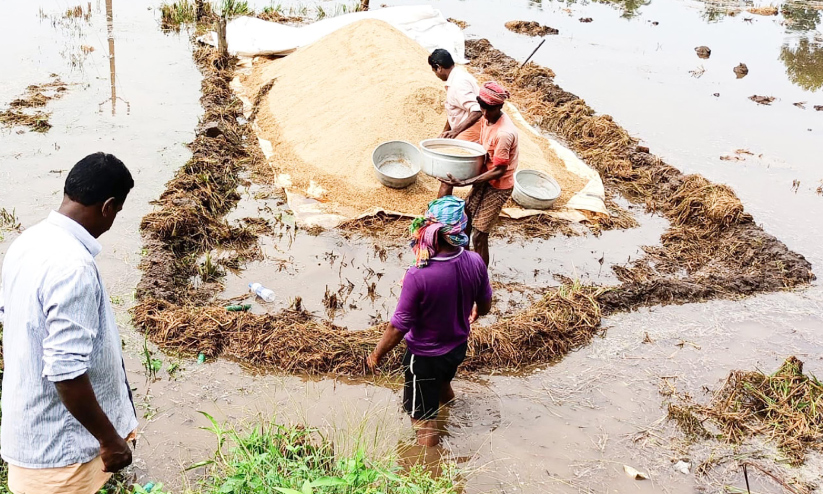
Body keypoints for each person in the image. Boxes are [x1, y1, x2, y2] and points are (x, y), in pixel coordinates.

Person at [0, 152, 138, 494]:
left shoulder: (27, 243)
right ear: (108, 207)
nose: (112, 221)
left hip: (31, 431)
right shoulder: (72, 266)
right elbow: (65, 370)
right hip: (61, 454)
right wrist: (110, 440)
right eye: (116, 212)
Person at [367, 196, 493, 447]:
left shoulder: (418, 275)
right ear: (461, 229)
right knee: (444, 382)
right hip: (457, 347)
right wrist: (476, 310)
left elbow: (398, 326)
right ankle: (451, 411)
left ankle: (428, 469)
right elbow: (486, 305)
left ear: (431, 231)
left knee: (422, 420)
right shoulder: (475, 261)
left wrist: (376, 355)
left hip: (423, 358)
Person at [438, 81, 519, 266]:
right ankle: (464, 264)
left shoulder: (504, 133)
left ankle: (480, 278)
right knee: (465, 218)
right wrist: (452, 133)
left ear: (499, 106)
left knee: (480, 234)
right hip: (484, 177)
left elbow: (499, 170)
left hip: (499, 186)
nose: (484, 113)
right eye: (482, 108)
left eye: (489, 110)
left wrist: (466, 181)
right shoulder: (485, 116)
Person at [428, 48, 483, 144]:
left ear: (439, 68)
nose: (436, 75)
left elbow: (477, 110)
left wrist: (455, 131)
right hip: (464, 126)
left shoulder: (458, 84)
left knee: (452, 151)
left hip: (474, 126)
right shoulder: (456, 76)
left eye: (434, 71)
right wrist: (445, 132)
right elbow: (454, 111)